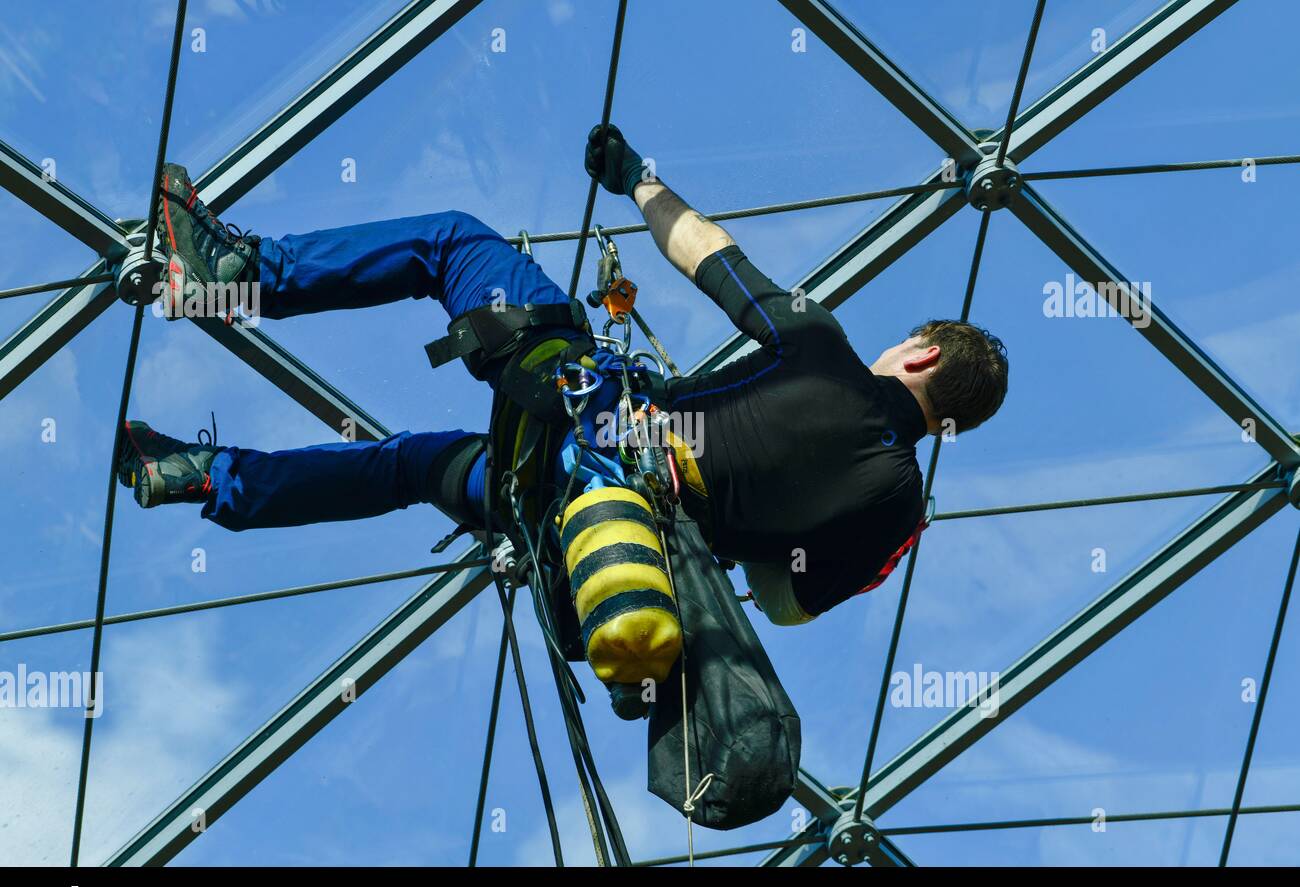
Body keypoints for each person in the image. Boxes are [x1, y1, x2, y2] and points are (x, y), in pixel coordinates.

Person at [122, 126, 1009, 627]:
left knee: (453, 242)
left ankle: (237, 274)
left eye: (906, 346)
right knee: (406, 467)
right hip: (575, 541)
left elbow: (709, 255)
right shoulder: (897, 511)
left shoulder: (826, 353)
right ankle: (202, 478)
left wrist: (638, 181)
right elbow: (783, 603)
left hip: (583, 418)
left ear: (922, 356)